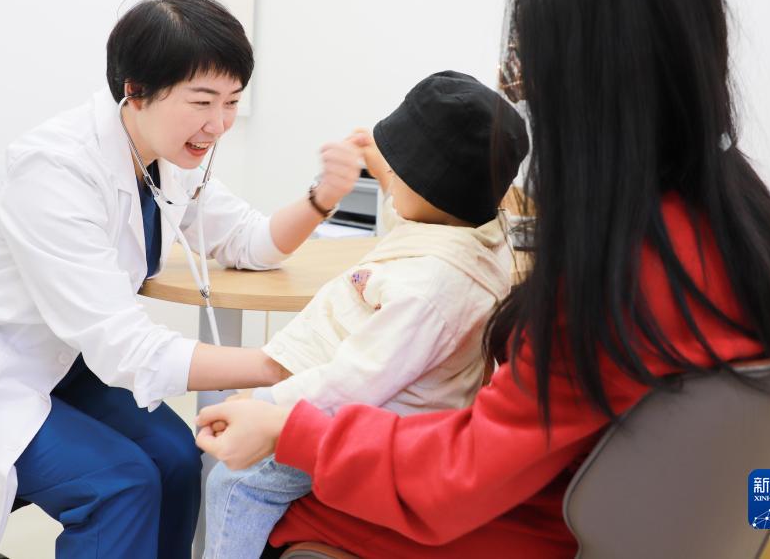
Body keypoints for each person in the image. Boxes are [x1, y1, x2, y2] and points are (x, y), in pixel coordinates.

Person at [195, 0, 770, 558]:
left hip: (534, 522)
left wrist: (289, 430)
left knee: (258, 493)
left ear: (584, 91)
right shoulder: (739, 224)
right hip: (643, 517)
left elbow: (456, 479)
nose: (520, 91)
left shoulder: (617, 280)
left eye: (527, 72)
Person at [0, 0, 366, 559]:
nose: (219, 124)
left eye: (232, 102)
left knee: (177, 459)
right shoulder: (52, 170)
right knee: (121, 485)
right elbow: (127, 349)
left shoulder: (160, 154)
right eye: (202, 101)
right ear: (136, 90)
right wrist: (287, 363)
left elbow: (250, 241)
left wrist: (324, 197)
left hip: (63, 364)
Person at [202, 71, 530, 558]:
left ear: (430, 187)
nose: (390, 178)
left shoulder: (430, 291)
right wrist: (381, 169)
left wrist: (268, 404)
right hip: (376, 407)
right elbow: (416, 220)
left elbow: (355, 381)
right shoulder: (470, 235)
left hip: (373, 426)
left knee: (234, 482)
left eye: (400, 172)